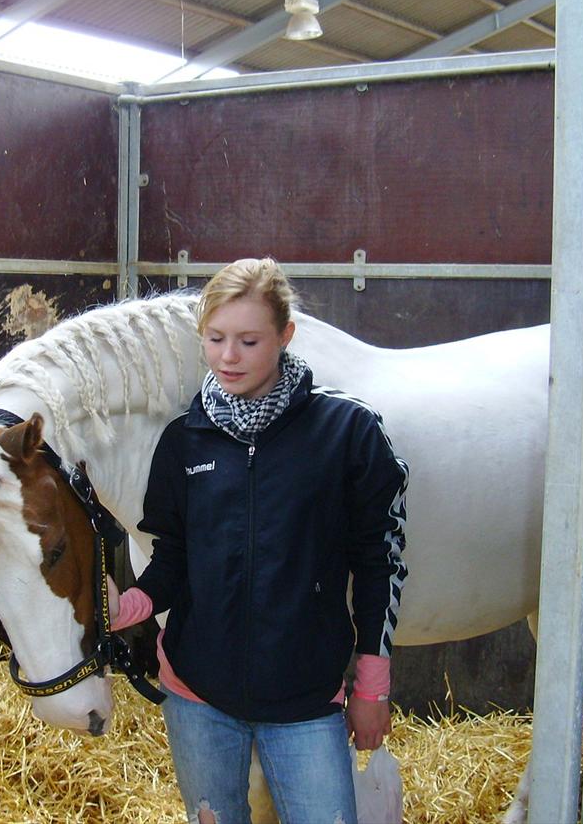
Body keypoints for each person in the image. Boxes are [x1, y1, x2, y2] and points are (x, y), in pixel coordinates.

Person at [111, 257, 409, 824]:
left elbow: (380, 563)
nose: (229, 356)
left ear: (285, 335)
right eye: (215, 338)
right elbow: (172, 559)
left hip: (307, 704)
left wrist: (372, 687)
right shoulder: (184, 440)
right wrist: (127, 607)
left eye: (249, 341)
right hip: (197, 700)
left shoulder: (346, 431)